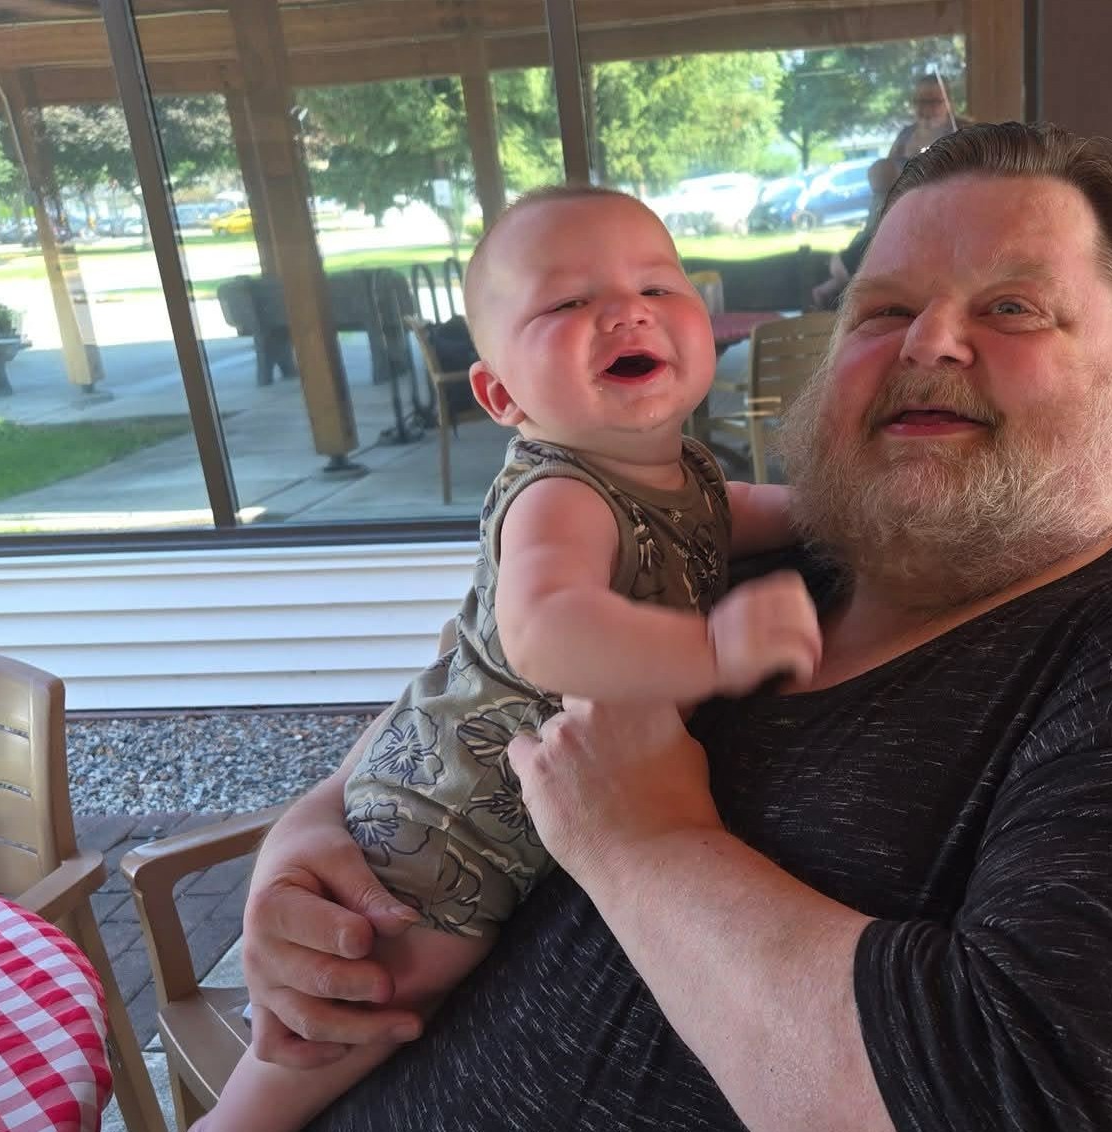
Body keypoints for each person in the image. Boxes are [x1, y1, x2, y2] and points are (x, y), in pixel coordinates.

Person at [240, 123, 1112, 1131]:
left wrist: (647, 846)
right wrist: (303, 851)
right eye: (880, 311)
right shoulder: (786, 556)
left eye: (1016, 307)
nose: (933, 344)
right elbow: (476, 677)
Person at [197, 186, 821, 1132]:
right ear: (503, 396)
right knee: (372, 1005)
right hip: (450, 821)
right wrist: (715, 648)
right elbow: (546, 626)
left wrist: (826, 515)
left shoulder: (681, 467)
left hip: (508, 810)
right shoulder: (559, 494)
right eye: (568, 303)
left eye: (660, 282)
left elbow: (725, 516)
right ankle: (237, 1122)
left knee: (394, 1005)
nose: (627, 310)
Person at [810, 157, 898, 311]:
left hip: (875, 254)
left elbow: (875, 234)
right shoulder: (883, 198)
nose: (872, 184)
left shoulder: (893, 199)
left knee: (837, 267)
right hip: (867, 254)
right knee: (836, 269)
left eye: (875, 178)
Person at [886, 73, 973, 167]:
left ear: (949, 104)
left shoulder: (966, 132)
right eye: (921, 101)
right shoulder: (904, 136)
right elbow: (887, 171)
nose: (926, 108)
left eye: (934, 101)